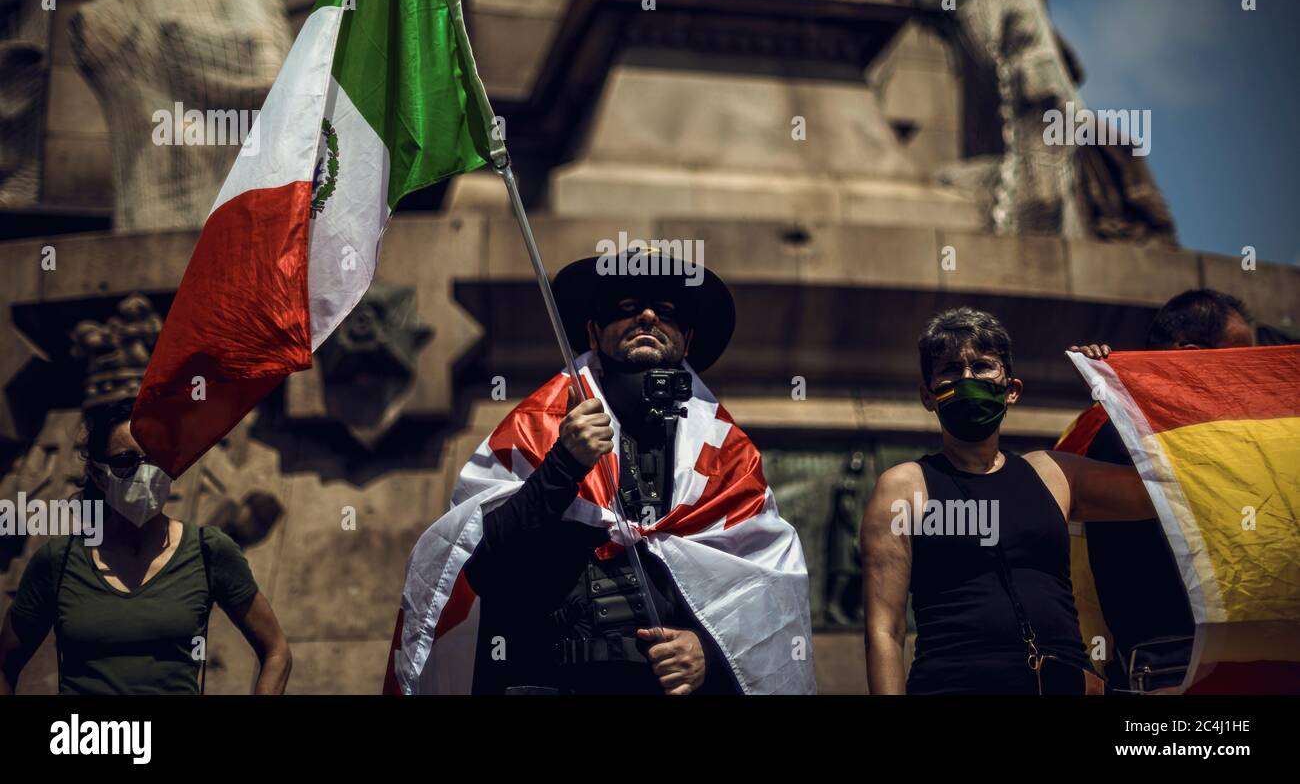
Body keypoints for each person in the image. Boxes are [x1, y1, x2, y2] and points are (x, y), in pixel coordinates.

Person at [385, 248, 814, 695]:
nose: (647, 316)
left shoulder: (727, 459)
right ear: (593, 332)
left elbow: (768, 593)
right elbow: (475, 568)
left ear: (686, 340)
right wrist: (563, 464)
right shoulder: (536, 429)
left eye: (665, 312)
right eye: (626, 308)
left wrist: (709, 651)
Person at [861, 307, 1157, 694]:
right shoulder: (904, 487)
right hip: (951, 685)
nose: (967, 380)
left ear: (1012, 390)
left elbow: (1159, 494)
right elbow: (885, 628)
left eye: (982, 367)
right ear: (928, 395)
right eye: (950, 369)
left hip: (1064, 682)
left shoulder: (1053, 473)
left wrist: (1117, 395)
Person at [0, 399, 292, 694]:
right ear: (100, 476)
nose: (145, 472)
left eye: (156, 457)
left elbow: (276, 650)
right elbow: (5, 663)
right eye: (126, 461)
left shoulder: (209, 550)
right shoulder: (59, 561)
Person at [1062, 288, 1255, 689]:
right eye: (1238, 358)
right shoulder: (1126, 434)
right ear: (1189, 355)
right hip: (1173, 664)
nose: (1248, 372)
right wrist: (1121, 395)